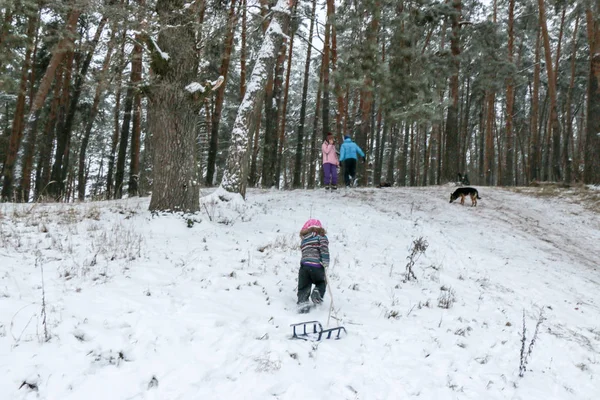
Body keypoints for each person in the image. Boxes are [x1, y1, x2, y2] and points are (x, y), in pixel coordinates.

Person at [297, 218, 330, 313]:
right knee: (321, 282)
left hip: (304, 267)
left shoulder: (304, 240)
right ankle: (317, 294)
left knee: (304, 286)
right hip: (317, 266)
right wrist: (325, 262)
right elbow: (324, 250)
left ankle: (302, 304)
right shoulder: (321, 237)